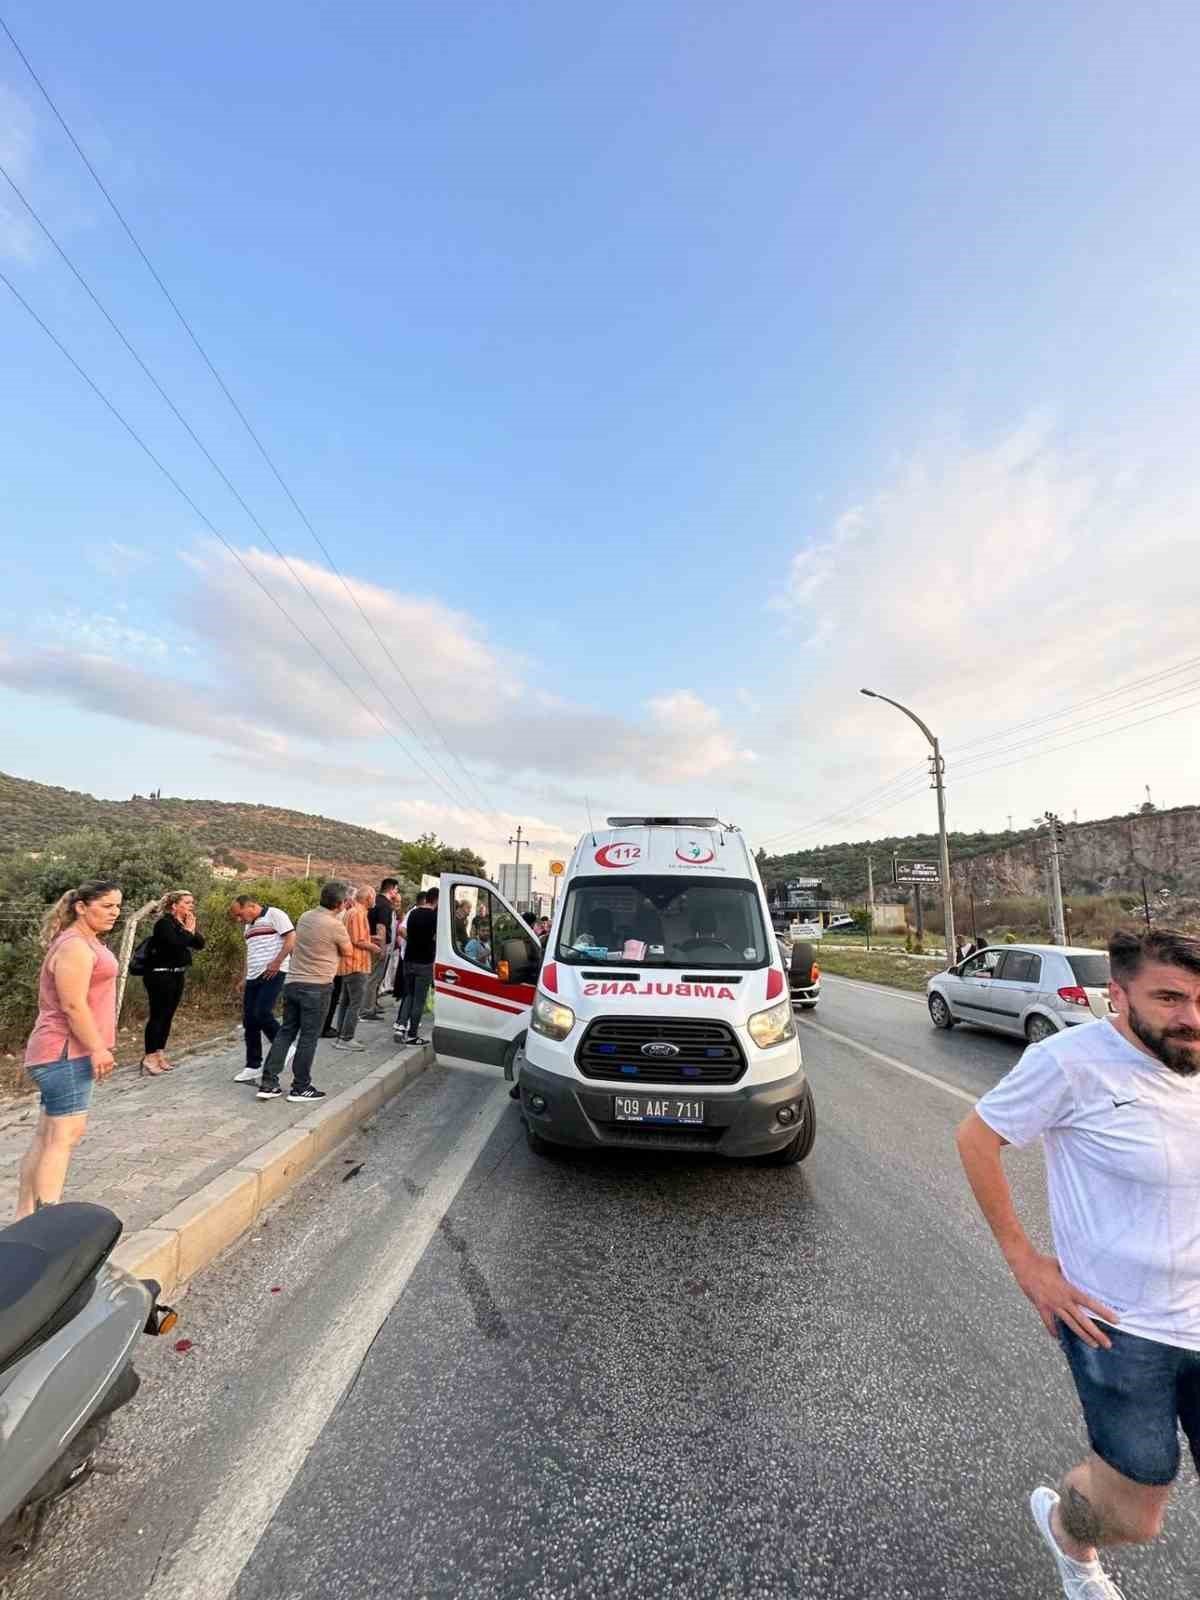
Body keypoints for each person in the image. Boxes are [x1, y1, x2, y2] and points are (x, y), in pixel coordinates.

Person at [956, 928, 1200, 1600]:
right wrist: (1026, 1264)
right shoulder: (1070, 1062)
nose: (1192, 1017)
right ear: (1118, 996)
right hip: (1121, 1326)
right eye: (1171, 998)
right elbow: (977, 1138)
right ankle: (1069, 1534)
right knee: (1134, 1513)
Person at [17, 882, 122, 1216]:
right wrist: (97, 1049)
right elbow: (73, 1005)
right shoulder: (76, 946)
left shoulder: (85, 942)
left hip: (61, 1053)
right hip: (65, 1052)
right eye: (106, 906)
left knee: (48, 1137)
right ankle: (48, 1226)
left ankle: (24, 1218)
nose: (114, 913)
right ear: (81, 907)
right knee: (64, 1138)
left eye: (117, 906)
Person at [258, 880, 353, 1103]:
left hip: (293, 983)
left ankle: (268, 1083)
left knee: (286, 1032)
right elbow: (347, 951)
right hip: (318, 986)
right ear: (340, 903)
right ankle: (300, 1087)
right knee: (308, 1038)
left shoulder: (305, 916)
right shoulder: (335, 925)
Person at [229, 895, 295, 1085]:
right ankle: (253, 1066)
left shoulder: (275, 914)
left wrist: (277, 962)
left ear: (250, 905)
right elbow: (250, 952)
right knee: (249, 1020)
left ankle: (285, 1047)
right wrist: (244, 976)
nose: (239, 919)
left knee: (262, 1012)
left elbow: (291, 938)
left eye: (240, 914)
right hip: (254, 975)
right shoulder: (248, 927)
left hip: (274, 972)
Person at [140, 890, 205, 1074]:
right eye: (187, 902)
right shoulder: (164, 924)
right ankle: (149, 1056)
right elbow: (176, 944)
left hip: (177, 975)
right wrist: (188, 931)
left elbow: (199, 944)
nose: (191, 906)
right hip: (160, 975)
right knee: (158, 1015)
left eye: (192, 902)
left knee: (168, 1016)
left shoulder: (183, 924)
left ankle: (160, 1053)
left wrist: (191, 929)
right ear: (174, 905)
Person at [333, 884, 381, 1052]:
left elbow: (356, 937)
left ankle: (341, 1035)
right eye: (374, 897)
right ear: (368, 898)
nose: (374, 900)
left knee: (346, 1002)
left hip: (348, 963)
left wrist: (370, 938)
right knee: (355, 1003)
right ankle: (346, 1038)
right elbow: (357, 941)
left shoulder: (351, 912)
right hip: (356, 964)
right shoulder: (359, 913)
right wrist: (374, 947)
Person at [395, 887, 437, 1045]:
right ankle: (412, 1034)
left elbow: (404, 931)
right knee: (419, 1000)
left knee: (408, 995)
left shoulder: (413, 912)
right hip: (424, 962)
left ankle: (400, 1026)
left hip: (409, 959)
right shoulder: (434, 917)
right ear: (436, 900)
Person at [361, 877, 400, 1020]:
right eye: (396, 889)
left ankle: (371, 1004)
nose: (397, 892)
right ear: (391, 889)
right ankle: (367, 1010)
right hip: (378, 945)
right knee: (373, 978)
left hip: (371, 942)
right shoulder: (385, 905)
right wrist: (382, 948)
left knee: (375, 978)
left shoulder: (376, 901)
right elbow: (381, 927)